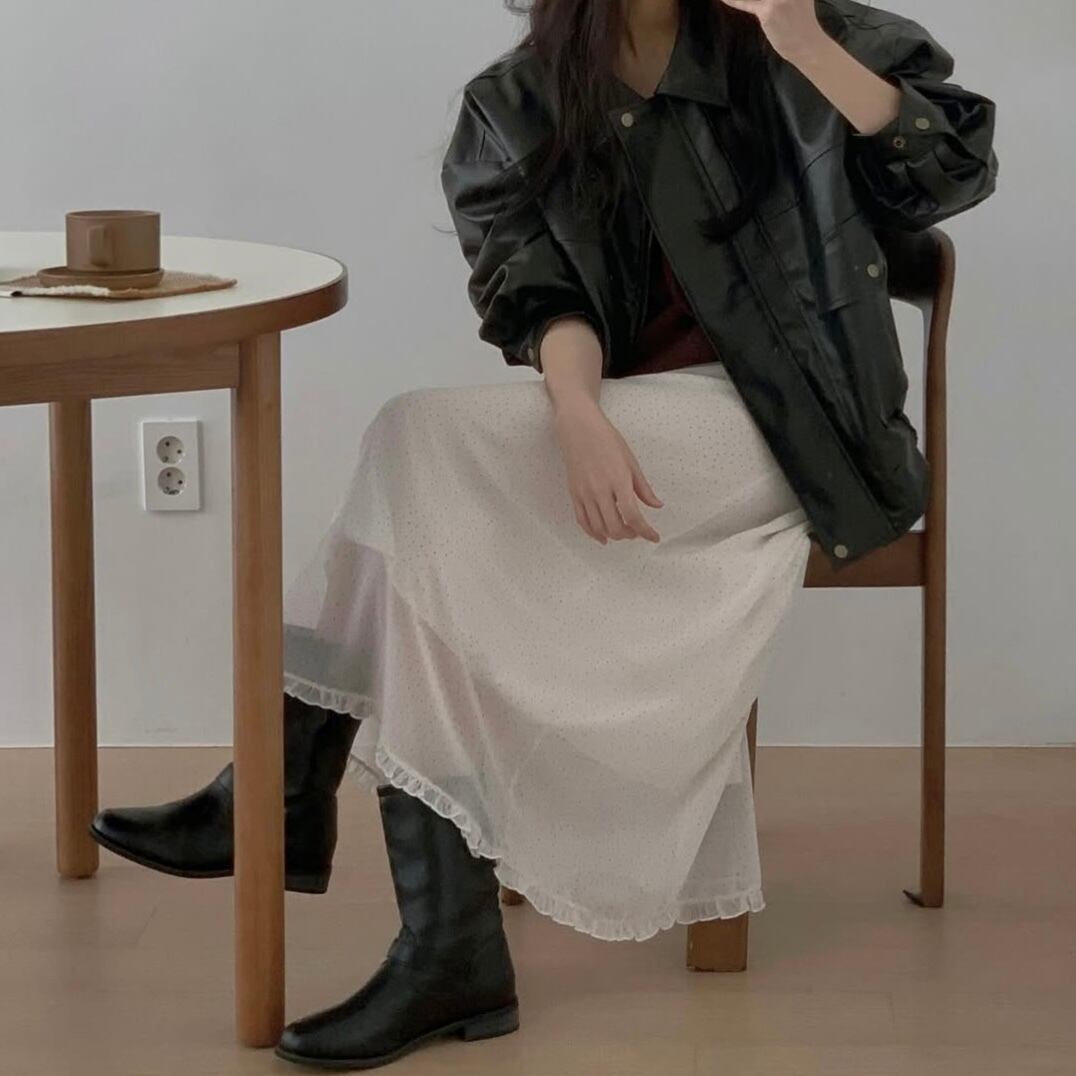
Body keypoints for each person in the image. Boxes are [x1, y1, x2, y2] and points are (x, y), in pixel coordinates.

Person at [90, 0, 998, 1069]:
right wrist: (577, 416)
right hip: (636, 418)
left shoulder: (808, 32)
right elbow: (537, 292)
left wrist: (799, 40)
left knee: (417, 472)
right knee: (419, 481)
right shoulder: (515, 104)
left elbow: (949, 174)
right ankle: (405, 908)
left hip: (800, 431)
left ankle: (308, 813)